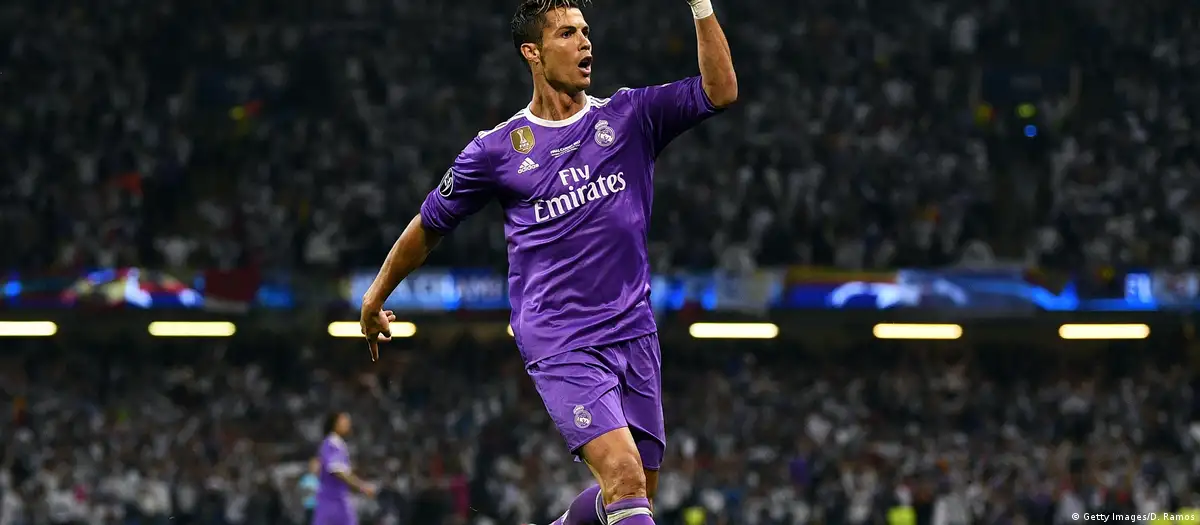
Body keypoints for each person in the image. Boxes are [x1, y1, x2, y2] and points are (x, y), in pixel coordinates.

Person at [358, 0, 736, 522]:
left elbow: (720, 91)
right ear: (532, 53)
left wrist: (700, 5)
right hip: (560, 335)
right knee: (624, 474)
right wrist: (376, 295)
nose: (585, 42)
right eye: (567, 33)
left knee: (635, 492)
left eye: (585, 31)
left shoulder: (629, 116)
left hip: (633, 328)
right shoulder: (496, 150)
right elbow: (429, 225)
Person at [314, 412, 376, 525]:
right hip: (334, 501)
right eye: (344, 421)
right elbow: (337, 471)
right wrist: (362, 486)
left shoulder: (332, 442)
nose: (348, 424)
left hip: (329, 499)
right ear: (335, 424)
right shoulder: (333, 442)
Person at [299, 457, 320, 525]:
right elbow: (302, 491)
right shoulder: (306, 478)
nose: (316, 468)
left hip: (320, 507)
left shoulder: (322, 478)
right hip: (309, 507)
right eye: (314, 466)